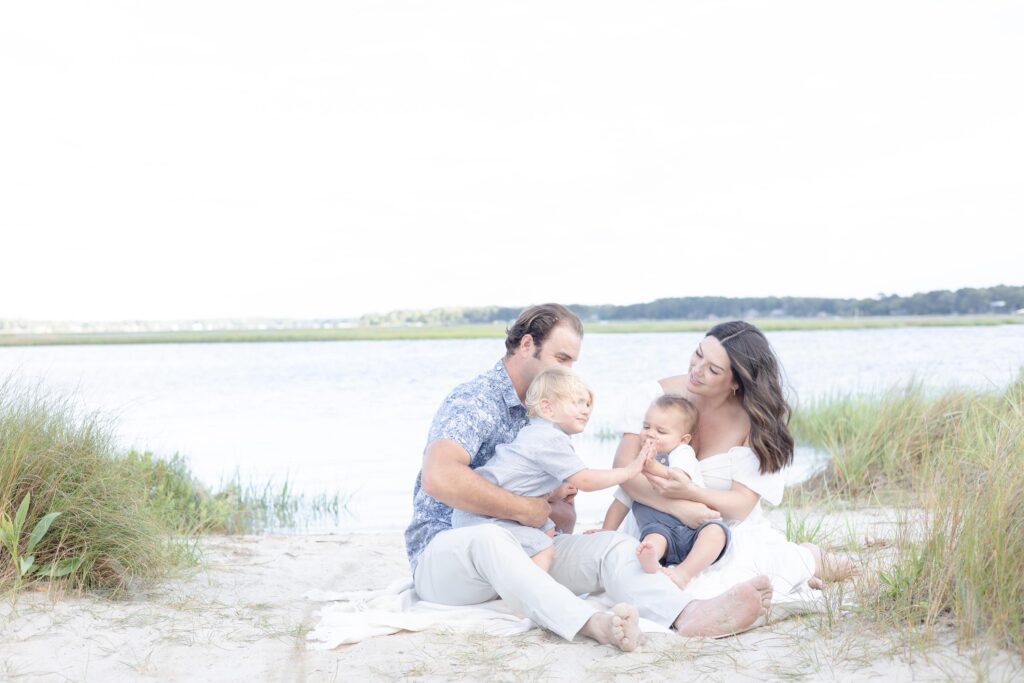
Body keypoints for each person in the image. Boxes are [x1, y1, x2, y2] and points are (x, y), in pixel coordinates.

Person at [405, 304, 773, 651]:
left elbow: (560, 514)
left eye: (572, 362)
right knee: (489, 537)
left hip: (526, 549)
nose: (568, 371)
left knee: (614, 547)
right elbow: (440, 477)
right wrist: (524, 509)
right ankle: (593, 623)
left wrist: (556, 507)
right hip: (449, 555)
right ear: (528, 345)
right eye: (561, 359)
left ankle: (687, 613)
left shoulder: (553, 410)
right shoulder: (476, 401)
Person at [612, 321, 856, 602]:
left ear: (736, 382)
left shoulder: (753, 423)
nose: (696, 370)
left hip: (725, 529)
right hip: (654, 521)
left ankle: (810, 560)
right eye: (698, 353)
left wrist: (692, 493)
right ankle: (795, 574)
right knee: (636, 579)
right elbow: (623, 471)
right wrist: (677, 508)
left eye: (713, 370)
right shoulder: (654, 396)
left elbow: (741, 506)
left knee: (741, 572)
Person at [452, 366, 649, 572]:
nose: (586, 410)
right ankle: (532, 592)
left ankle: (519, 573)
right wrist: (628, 471)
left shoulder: (536, 432)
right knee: (543, 547)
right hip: (481, 517)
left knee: (548, 529)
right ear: (547, 408)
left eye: (588, 404)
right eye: (577, 402)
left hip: (481, 513)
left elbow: (522, 480)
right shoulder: (550, 438)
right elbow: (586, 481)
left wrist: (557, 491)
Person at [593, 395, 730, 590]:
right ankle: (651, 562)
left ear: (683, 439)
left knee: (716, 532)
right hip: (659, 530)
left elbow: (677, 477)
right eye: (646, 427)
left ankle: (684, 573)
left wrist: (649, 466)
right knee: (651, 542)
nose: (650, 434)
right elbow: (620, 502)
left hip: (694, 528)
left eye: (661, 431)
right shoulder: (636, 467)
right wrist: (607, 531)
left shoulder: (682, 453)